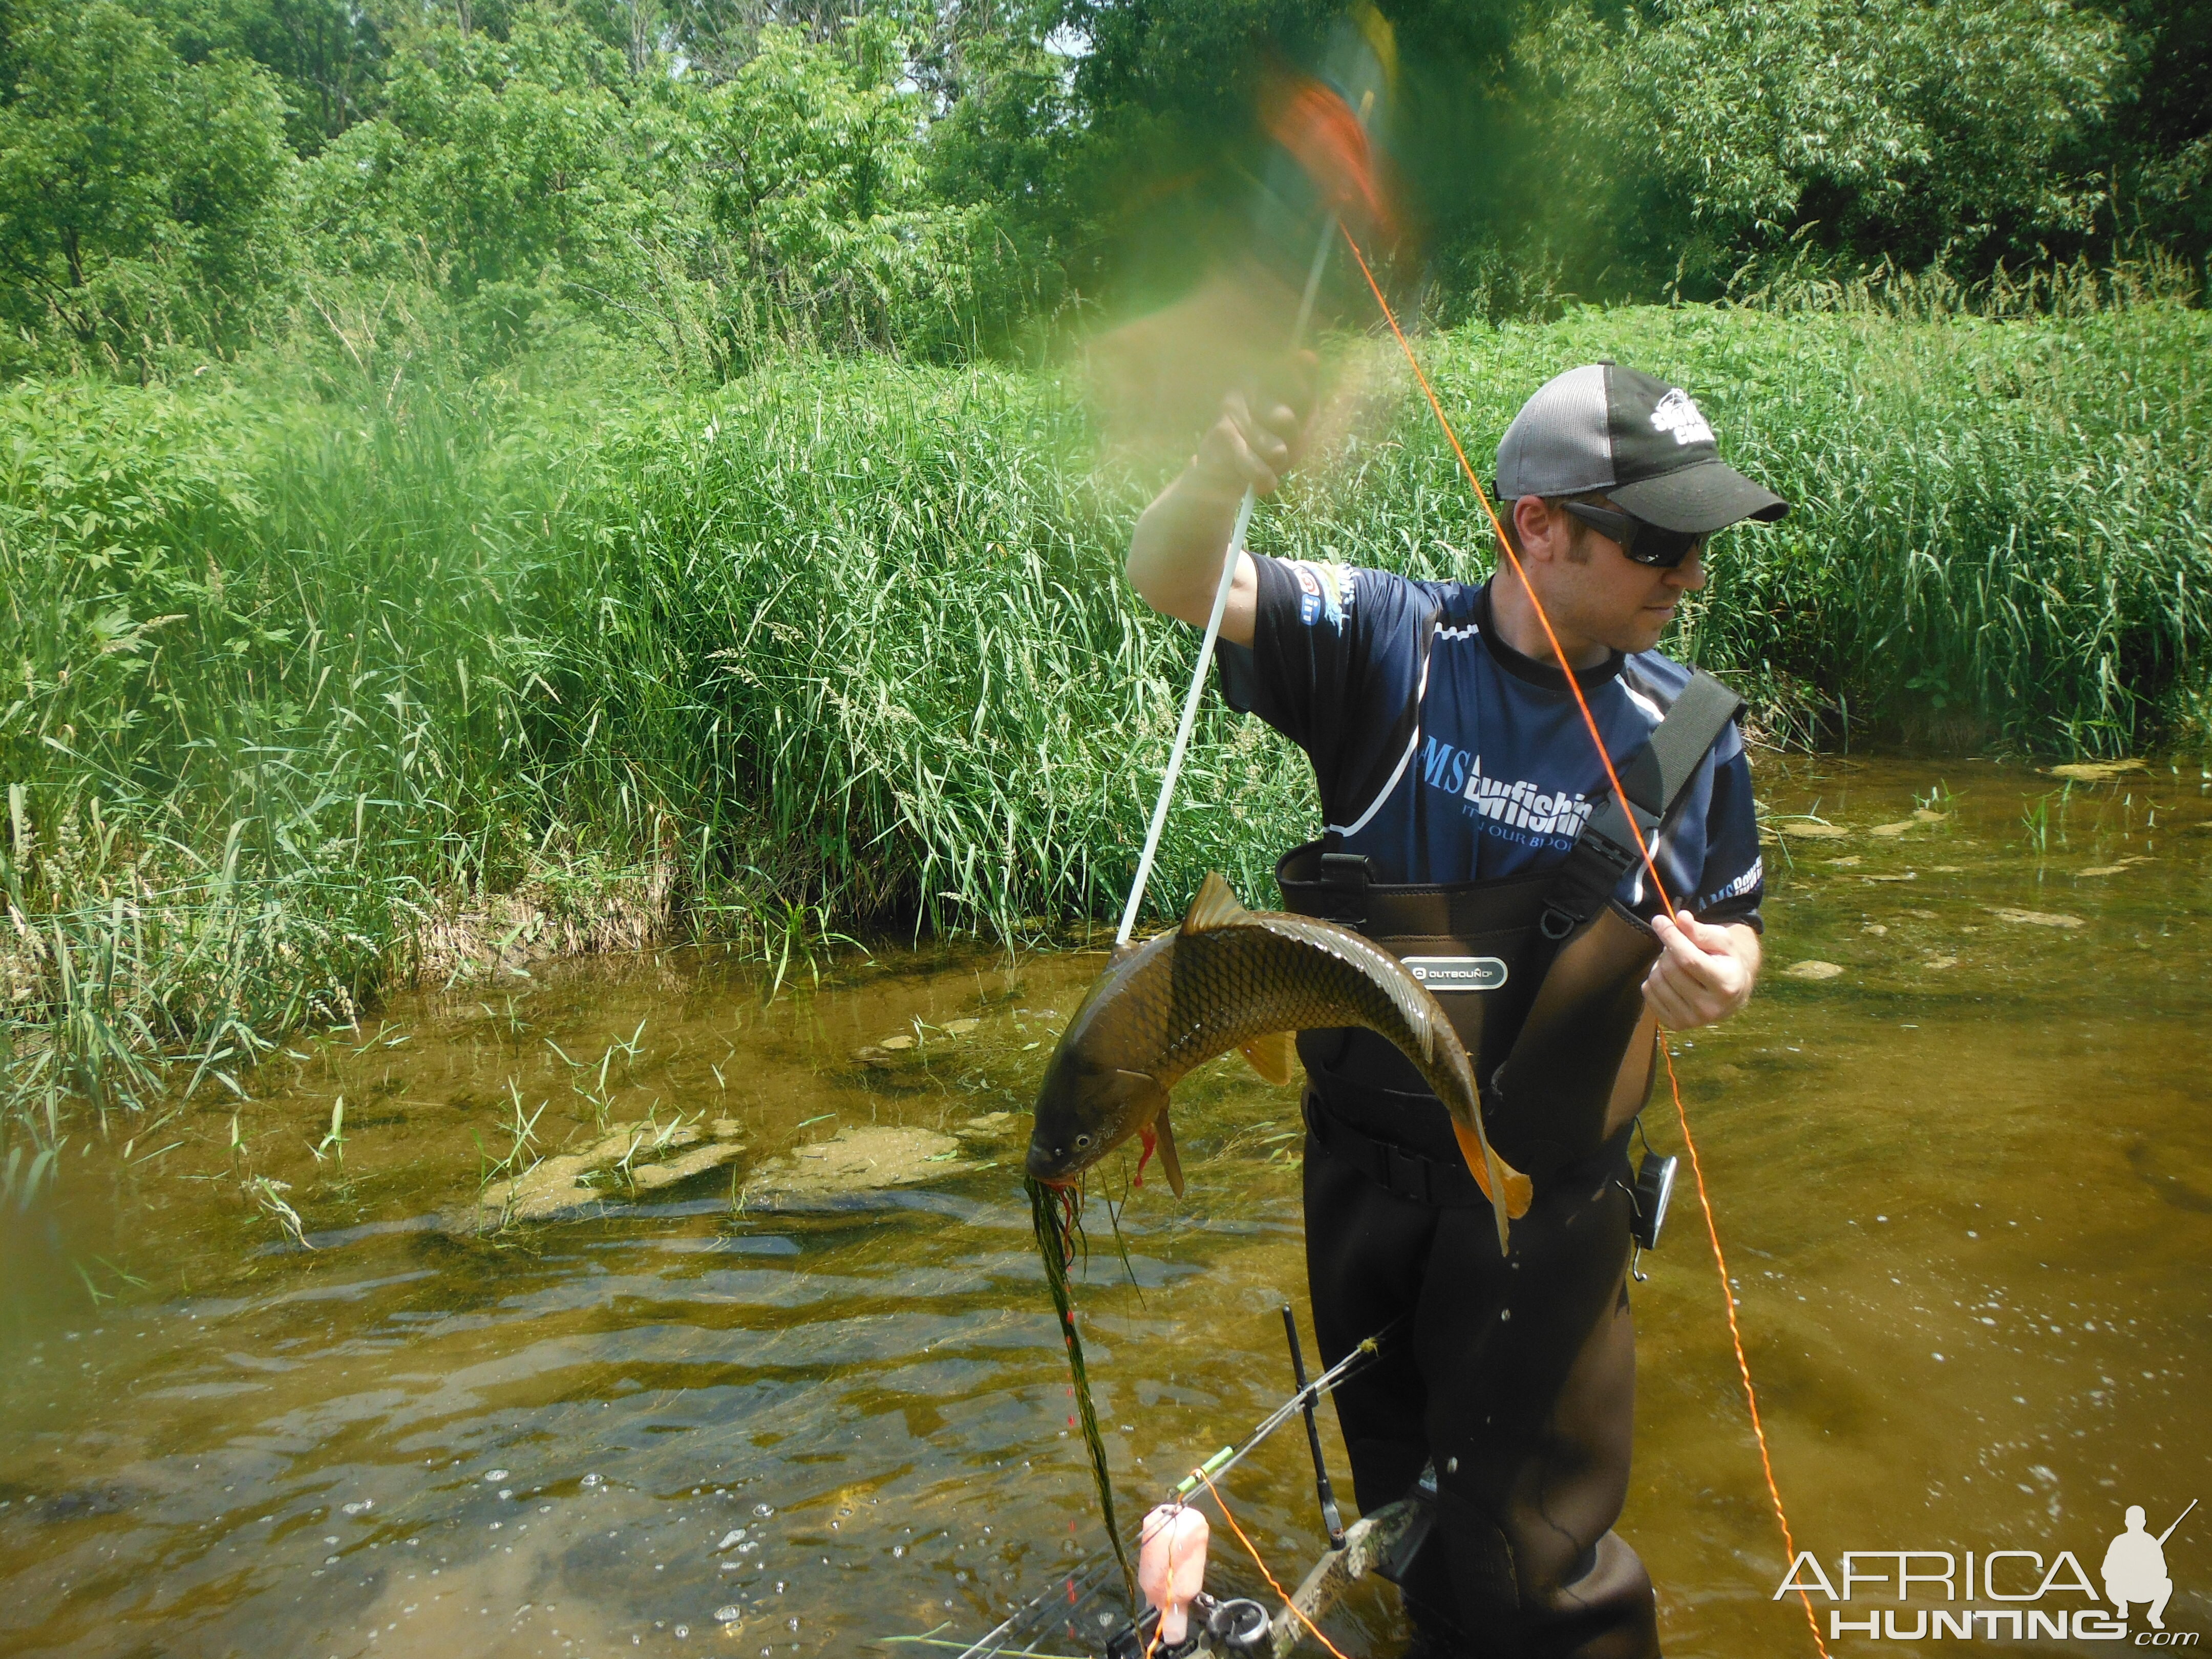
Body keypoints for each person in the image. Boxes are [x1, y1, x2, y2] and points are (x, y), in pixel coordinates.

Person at [1124, 359, 1785, 1657]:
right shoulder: (1387, 644)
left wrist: (1725, 976)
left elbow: (1740, 927)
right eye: (1658, 542)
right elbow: (1176, 575)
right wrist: (1218, 475)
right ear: (1538, 524)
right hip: (1362, 1198)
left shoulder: (1691, 729)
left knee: (1540, 1555)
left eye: (1699, 545)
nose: (1688, 576)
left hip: (1551, 1217)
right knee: (1401, 1519)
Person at [2103, 1505, 2174, 1629]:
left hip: (2145, 1590)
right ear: (2126, 1523)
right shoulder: (2119, 1541)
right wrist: (2125, 1572)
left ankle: (2154, 1615)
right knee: (2110, 1584)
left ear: (2144, 1523)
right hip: (2123, 1590)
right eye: (2133, 1521)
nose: (2135, 1524)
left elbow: (2163, 1572)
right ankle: (2122, 1606)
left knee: (2167, 1584)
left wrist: (2146, 1570)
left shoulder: (2151, 1542)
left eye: (2138, 1521)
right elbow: (2106, 1571)